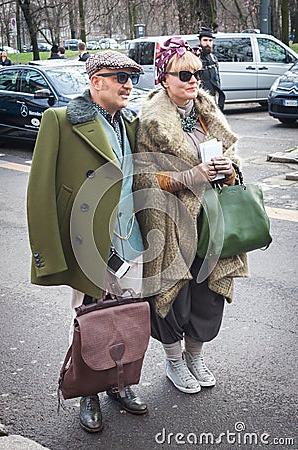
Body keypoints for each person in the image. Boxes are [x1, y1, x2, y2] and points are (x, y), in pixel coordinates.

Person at [27, 50, 148, 433]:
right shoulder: (60, 120)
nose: (129, 85)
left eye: (132, 78)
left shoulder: (129, 123)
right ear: (97, 82)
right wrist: (48, 252)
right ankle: (89, 392)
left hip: (128, 240)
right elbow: (41, 190)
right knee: (87, 318)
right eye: (121, 77)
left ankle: (121, 383)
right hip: (88, 243)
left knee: (126, 315)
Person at [134, 38, 248, 395]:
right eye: (184, 73)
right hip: (171, 223)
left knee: (208, 295)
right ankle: (173, 362)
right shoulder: (151, 121)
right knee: (174, 295)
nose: (193, 79)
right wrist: (190, 176)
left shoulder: (207, 111)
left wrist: (229, 170)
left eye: (197, 72)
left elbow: (234, 158)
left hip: (213, 222)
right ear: (164, 78)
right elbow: (143, 178)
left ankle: (194, 356)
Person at [198, 28, 225, 111]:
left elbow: (217, 79)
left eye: (210, 40)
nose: (208, 43)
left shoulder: (213, 58)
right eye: (205, 40)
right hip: (199, 100)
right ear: (200, 41)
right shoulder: (195, 58)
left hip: (212, 100)